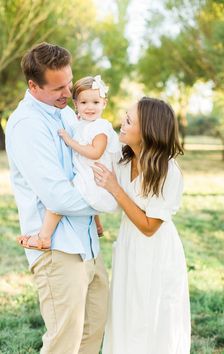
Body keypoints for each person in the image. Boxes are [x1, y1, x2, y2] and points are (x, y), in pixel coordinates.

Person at [5, 42, 109, 354]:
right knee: (63, 344)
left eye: (69, 82)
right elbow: (58, 196)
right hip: (57, 251)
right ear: (33, 85)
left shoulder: (64, 114)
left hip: (88, 243)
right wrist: (111, 200)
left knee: (91, 336)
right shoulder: (27, 125)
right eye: (58, 88)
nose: (68, 92)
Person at [93, 97, 191, 354]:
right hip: (129, 245)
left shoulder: (167, 170)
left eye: (128, 120)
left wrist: (114, 188)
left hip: (156, 251)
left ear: (147, 130)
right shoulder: (124, 160)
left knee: (153, 316)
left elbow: (149, 227)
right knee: (127, 313)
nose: (121, 124)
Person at [17, 75, 120, 250]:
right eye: (84, 102)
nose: (89, 107)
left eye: (95, 102)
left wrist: (70, 141)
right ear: (76, 104)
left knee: (57, 202)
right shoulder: (81, 123)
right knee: (69, 189)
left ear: (104, 103)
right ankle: (97, 224)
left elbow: (96, 153)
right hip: (86, 173)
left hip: (95, 177)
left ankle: (44, 237)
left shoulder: (100, 128)